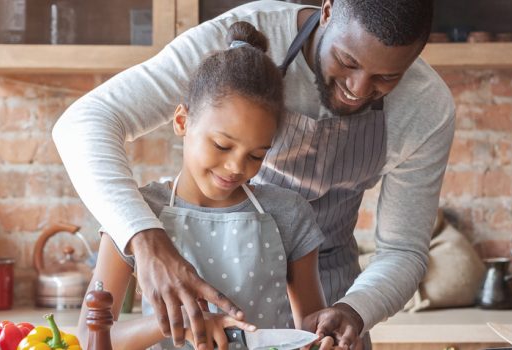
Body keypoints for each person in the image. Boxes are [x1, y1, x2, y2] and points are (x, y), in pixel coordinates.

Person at [54, 0, 454, 349]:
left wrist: (355, 309)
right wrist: (145, 237)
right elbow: (84, 122)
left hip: (339, 292)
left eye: (387, 78)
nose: (358, 88)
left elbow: (403, 250)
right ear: (327, 11)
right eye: (347, 61)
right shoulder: (241, 42)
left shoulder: (426, 106)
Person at [76, 21, 328, 350]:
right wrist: (175, 324)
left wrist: (325, 337)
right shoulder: (138, 212)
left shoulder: (288, 212)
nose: (237, 167)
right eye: (222, 146)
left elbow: (310, 325)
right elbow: (90, 336)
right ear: (181, 121)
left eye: (256, 155)